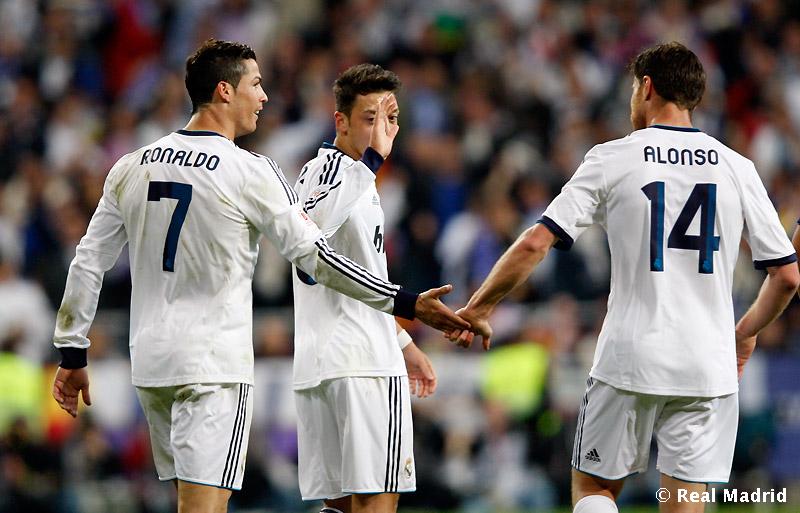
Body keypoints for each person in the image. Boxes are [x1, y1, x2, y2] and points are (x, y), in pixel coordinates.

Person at [50, 39, 468, 513]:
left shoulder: (131, 165)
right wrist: (407, 303)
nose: (264, 96)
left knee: (190, 502)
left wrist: (72, 350)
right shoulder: (248, 170)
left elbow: (89, 259)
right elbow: (315, 256)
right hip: (214, 366)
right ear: (225, 91)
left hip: (151, 363)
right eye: (256, 84)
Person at [448, 42, 800, 513]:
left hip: (630, 356)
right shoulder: (737, 167)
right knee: (684, 503)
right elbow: (787, 276)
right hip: (707, 364)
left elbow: (535, 243)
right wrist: (744, 333)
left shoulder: (613, 157)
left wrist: (481, 305)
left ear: (646, 87)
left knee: (594, 488)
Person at [291, 64, 437, 513]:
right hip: (363, 365)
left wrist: (403, 342)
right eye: (370, 118)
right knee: (375, 501)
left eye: (391, 118)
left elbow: (356, 274)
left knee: (338, 508)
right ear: (341, 121)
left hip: (327, 362)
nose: (383, 130)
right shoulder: (337, 172)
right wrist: (371, 160)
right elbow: (308, 241)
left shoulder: (336, 176)